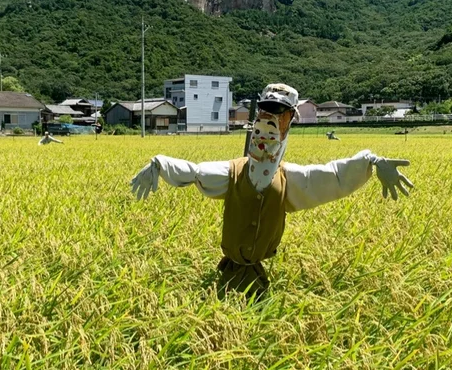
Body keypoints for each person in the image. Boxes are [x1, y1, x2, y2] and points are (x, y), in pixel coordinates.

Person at [131, 83, 414, 294]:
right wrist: (159, 163)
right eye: (264, 114)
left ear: (290, 120)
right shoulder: (232, 173)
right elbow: (194, 172)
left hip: (257, 278)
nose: (269, 123)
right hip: (227, 272)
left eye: (279, 115)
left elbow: (334, 177)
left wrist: (372, 161)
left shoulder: (290, 180)